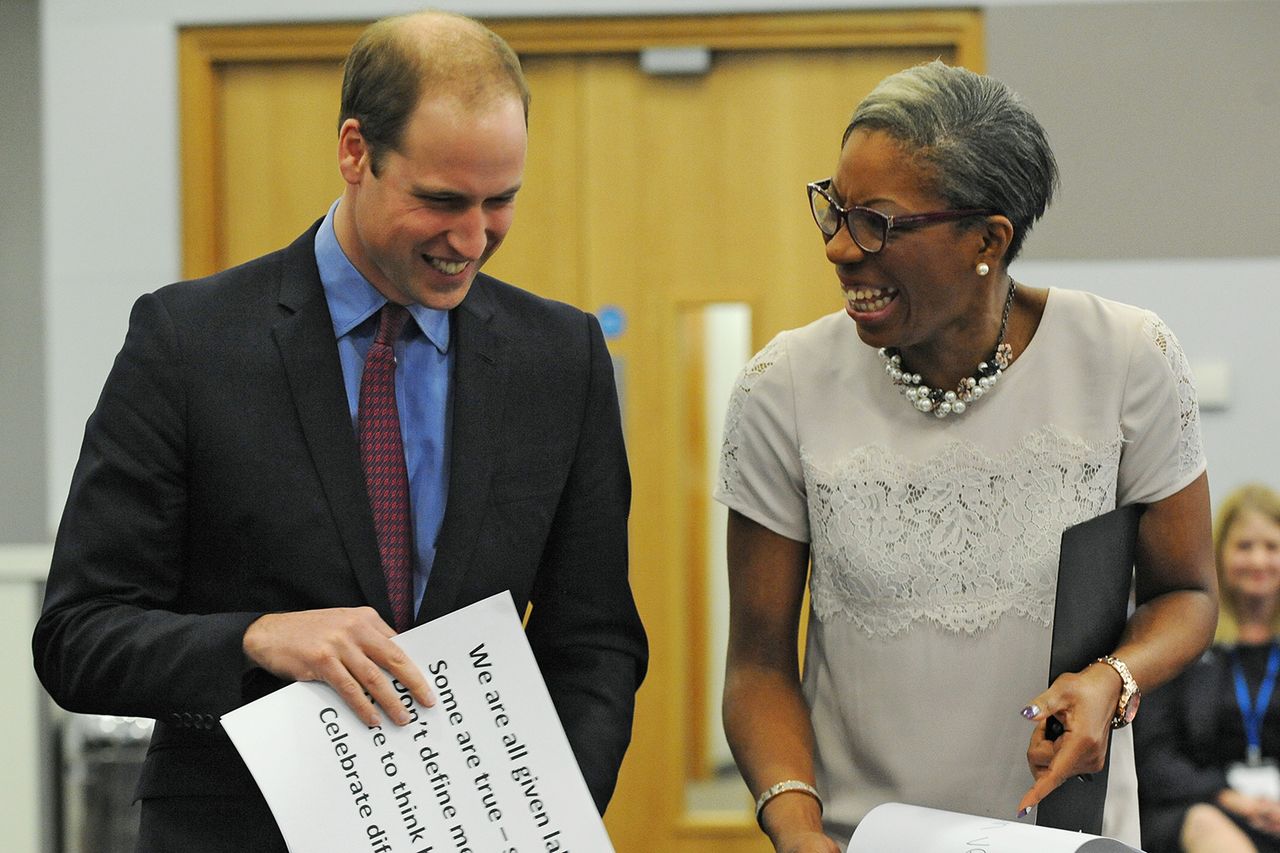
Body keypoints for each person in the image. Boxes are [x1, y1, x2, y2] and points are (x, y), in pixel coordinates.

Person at [32, 11, 647, 852]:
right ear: (355, 151)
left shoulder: (560, 357)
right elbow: (78, 636)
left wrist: (538, 818)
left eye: (500, 201)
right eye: (439, 200)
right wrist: (256, 636)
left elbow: (596, 640)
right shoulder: (188, 342)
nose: (471, 240)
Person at [714, 59, 1216, 852]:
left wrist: (1113, 679)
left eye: (877, 221)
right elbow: (757, 665)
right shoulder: (786, 385)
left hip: (1064, 838)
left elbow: (1187, 592)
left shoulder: (1126, 359)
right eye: (835, 211)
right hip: (860, 839)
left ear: (988, 239)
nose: (841, 249)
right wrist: (795, 823)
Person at [1136, 483, 1280, 853]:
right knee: (1208, 827)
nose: (1259, 561)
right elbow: (1154, 754)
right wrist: (1228, 796)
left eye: (1272, 547)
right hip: (1200, 808)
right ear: (1220, 554)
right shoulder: (1187, 638)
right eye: (1245, 547)